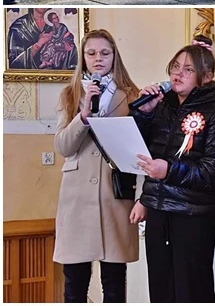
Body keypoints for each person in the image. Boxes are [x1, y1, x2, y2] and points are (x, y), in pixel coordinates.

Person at [131, 41, 215, 302]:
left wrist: (169, 171)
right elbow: (141, 150)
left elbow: (214, 171)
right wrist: (143, 114)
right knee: (160, 285)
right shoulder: (162, 105)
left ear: (206, 76)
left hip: (194, 214)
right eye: (175, 66)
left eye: (188, 69)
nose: (177, 74)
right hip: (158, 209)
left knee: (191, 288)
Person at [53, 29, 143, 302]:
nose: (98, 59)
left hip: (114, 196)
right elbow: (63, 147)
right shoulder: (70, 95)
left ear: (115, 56)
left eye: (105, 53)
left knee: (114, 283)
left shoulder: (131, 95)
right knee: (75, 284)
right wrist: (83, 116)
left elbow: (140, 151)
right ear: (82, 58)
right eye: (91, 53)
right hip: (77, 200)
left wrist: (142, 198)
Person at [7, 7, 78, 70]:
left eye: (55, 18)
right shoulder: (18, 27)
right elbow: (14, 63)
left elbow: (71, 51)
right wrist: (38, 44)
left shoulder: (58, 27)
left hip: (57, 78)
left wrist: (64, 44)